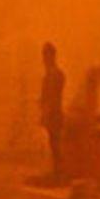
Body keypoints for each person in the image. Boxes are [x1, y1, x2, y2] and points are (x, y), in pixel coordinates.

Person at [40, 42, 67, 182]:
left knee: (55, 144)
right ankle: (57, 170)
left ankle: (59, 171)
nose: (43, 59)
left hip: (54, 115)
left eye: (45, 55)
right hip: (54, 114)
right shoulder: (54, 74)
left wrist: (45, 114)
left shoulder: (54, 75)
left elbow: (51, 97)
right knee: (53, 143)